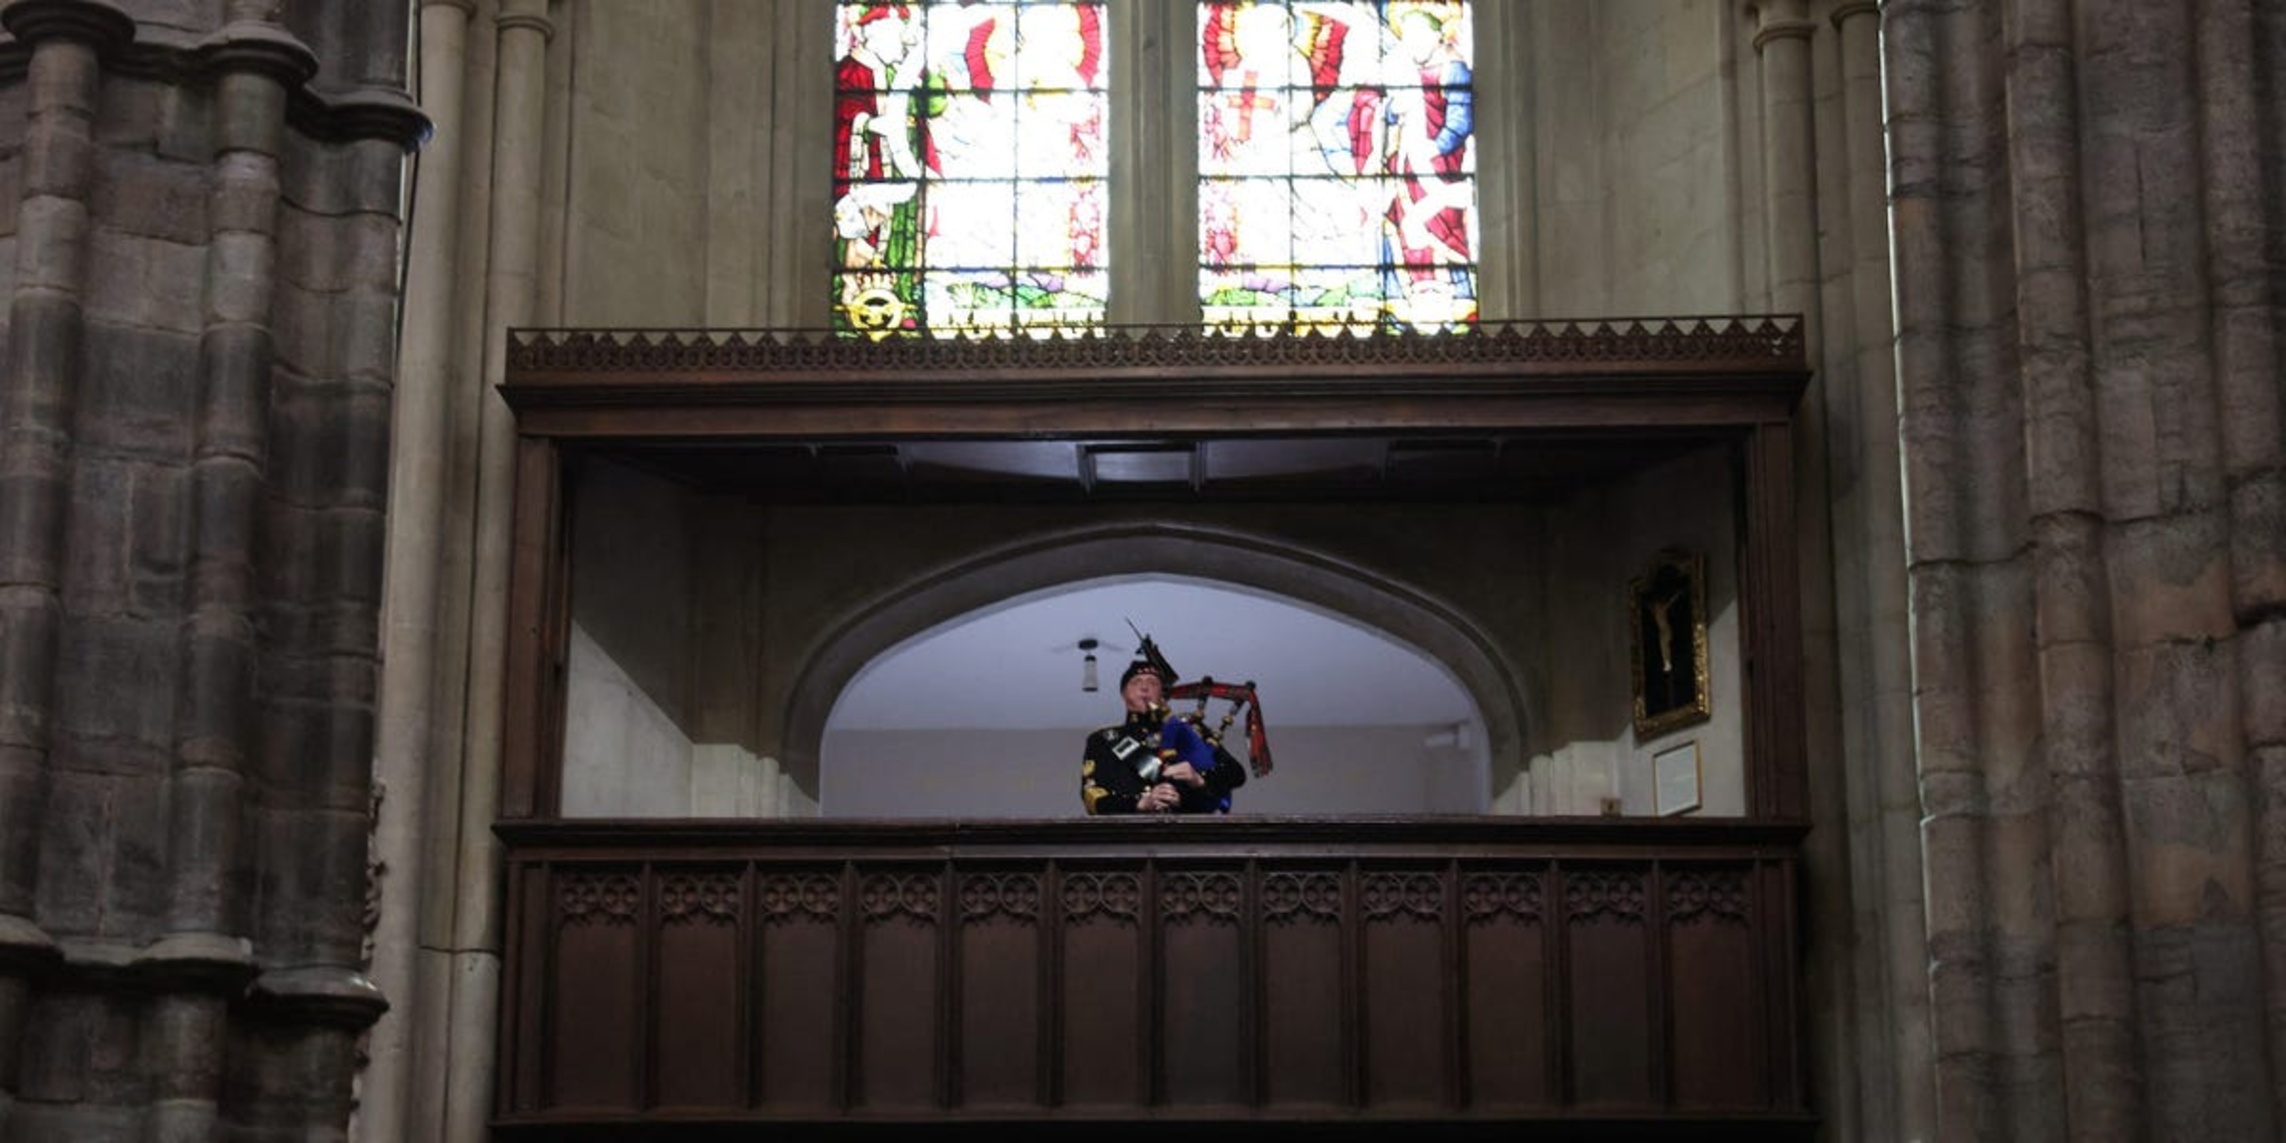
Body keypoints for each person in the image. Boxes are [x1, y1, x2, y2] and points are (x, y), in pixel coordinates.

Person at [1080, 636, 1246, 815]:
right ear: (1124, 694)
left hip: (1187, 828)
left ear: (1162, 694)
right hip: (1129, 830)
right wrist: (1140, 804)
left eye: (1152, 683)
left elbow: (1235, 773)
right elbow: (1092, 796)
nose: (1144, 687)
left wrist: (1199, 779)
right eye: (1136, 682)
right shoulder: (1102, 740)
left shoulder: (1187, 729)